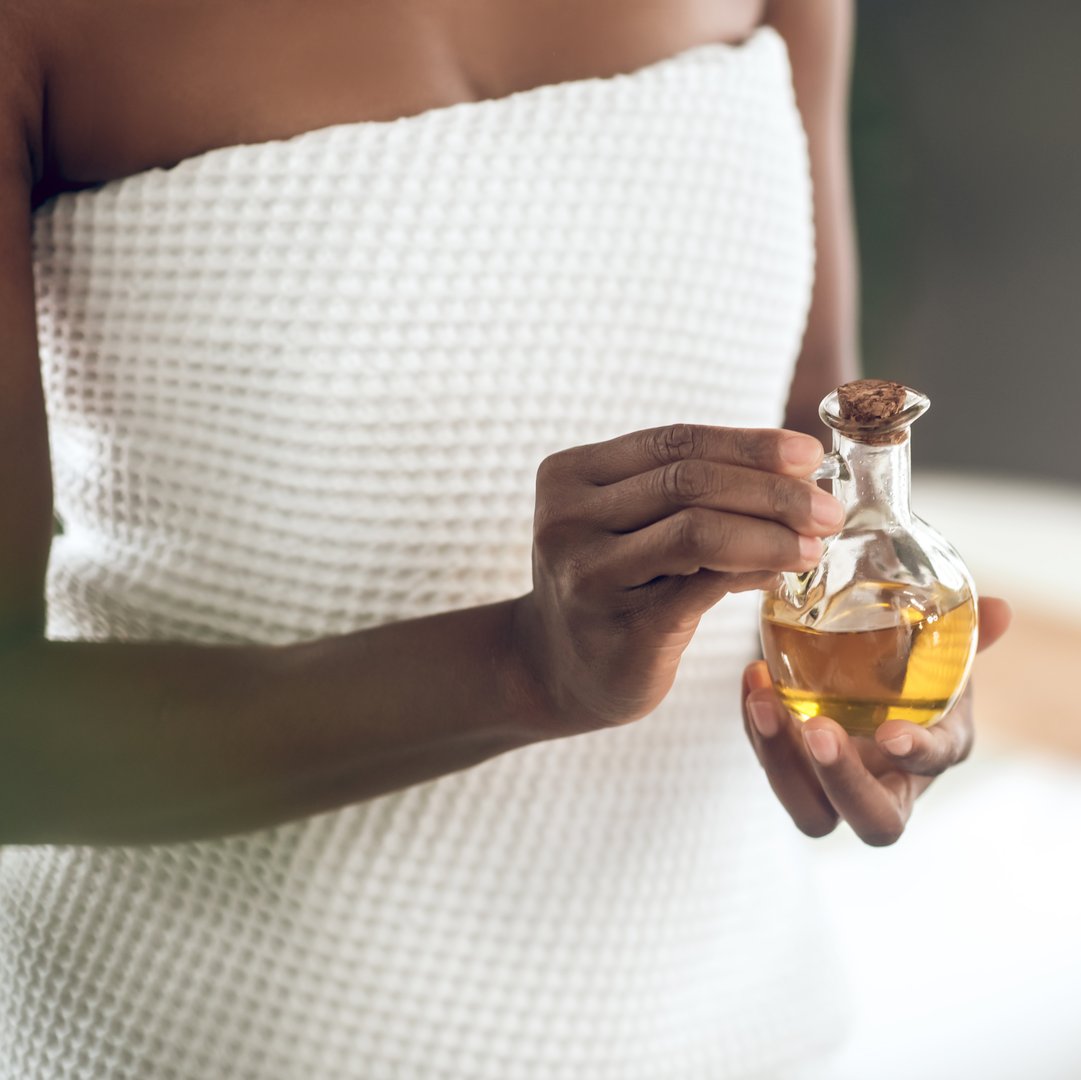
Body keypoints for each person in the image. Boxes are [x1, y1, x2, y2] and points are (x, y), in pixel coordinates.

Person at [0, 1, 1011, 1076]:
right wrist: (521, 668)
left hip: (735, 1025)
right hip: (213, 1041)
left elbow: (825, 463)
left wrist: (874, 699)